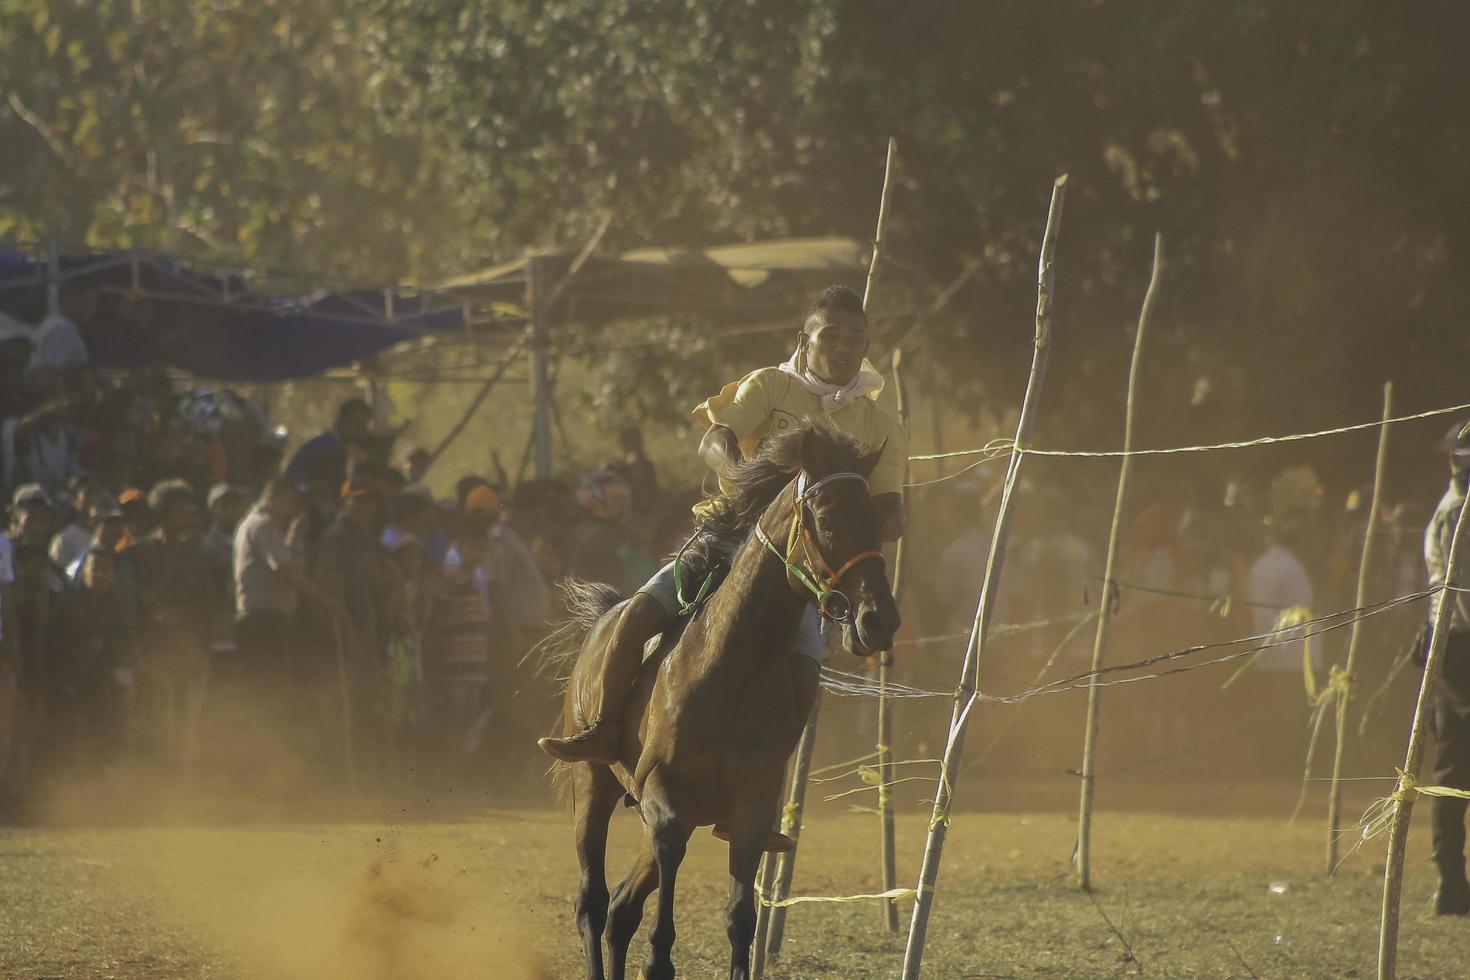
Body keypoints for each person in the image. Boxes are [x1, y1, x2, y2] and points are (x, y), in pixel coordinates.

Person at [540, 284, 907, 765]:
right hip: (726, 537)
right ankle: (604, 730)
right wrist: (737, 475)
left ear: (866, 346)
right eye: (830, 336)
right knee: (635, 618)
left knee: (803, 674)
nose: (842, 347)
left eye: (854, 339)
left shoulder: (882, 424)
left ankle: (761, 782)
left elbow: (891, 510)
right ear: (804, 342)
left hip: (798, 571)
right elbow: (715, 438)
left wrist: (863, 543)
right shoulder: (771, 385)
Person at [125, 479, 216, 763]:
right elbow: (126, 596)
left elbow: (209, 601)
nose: (187, 517)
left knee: (182, 714)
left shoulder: (198, 556)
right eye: (180, 511)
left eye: (189, 511)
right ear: (164, 513)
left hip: (183, 647)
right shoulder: (139, 553)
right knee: (147, 711)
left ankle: (180, 773)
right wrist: (147, 604)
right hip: (148, 644)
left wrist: (183, 614)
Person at [1424, 418, 1470, 915]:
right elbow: (1465, 597)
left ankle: (1452, 884)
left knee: (1455, 766)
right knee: (1455, 769)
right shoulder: (1460, 512)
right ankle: (1452, 883)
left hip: (1454, 644)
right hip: (1462, 647)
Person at [284, 397, 373, 489]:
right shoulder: (325, 448)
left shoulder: (338, 447)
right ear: (342, 420)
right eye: (358, 424)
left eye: (364, 425)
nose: (363, 431)